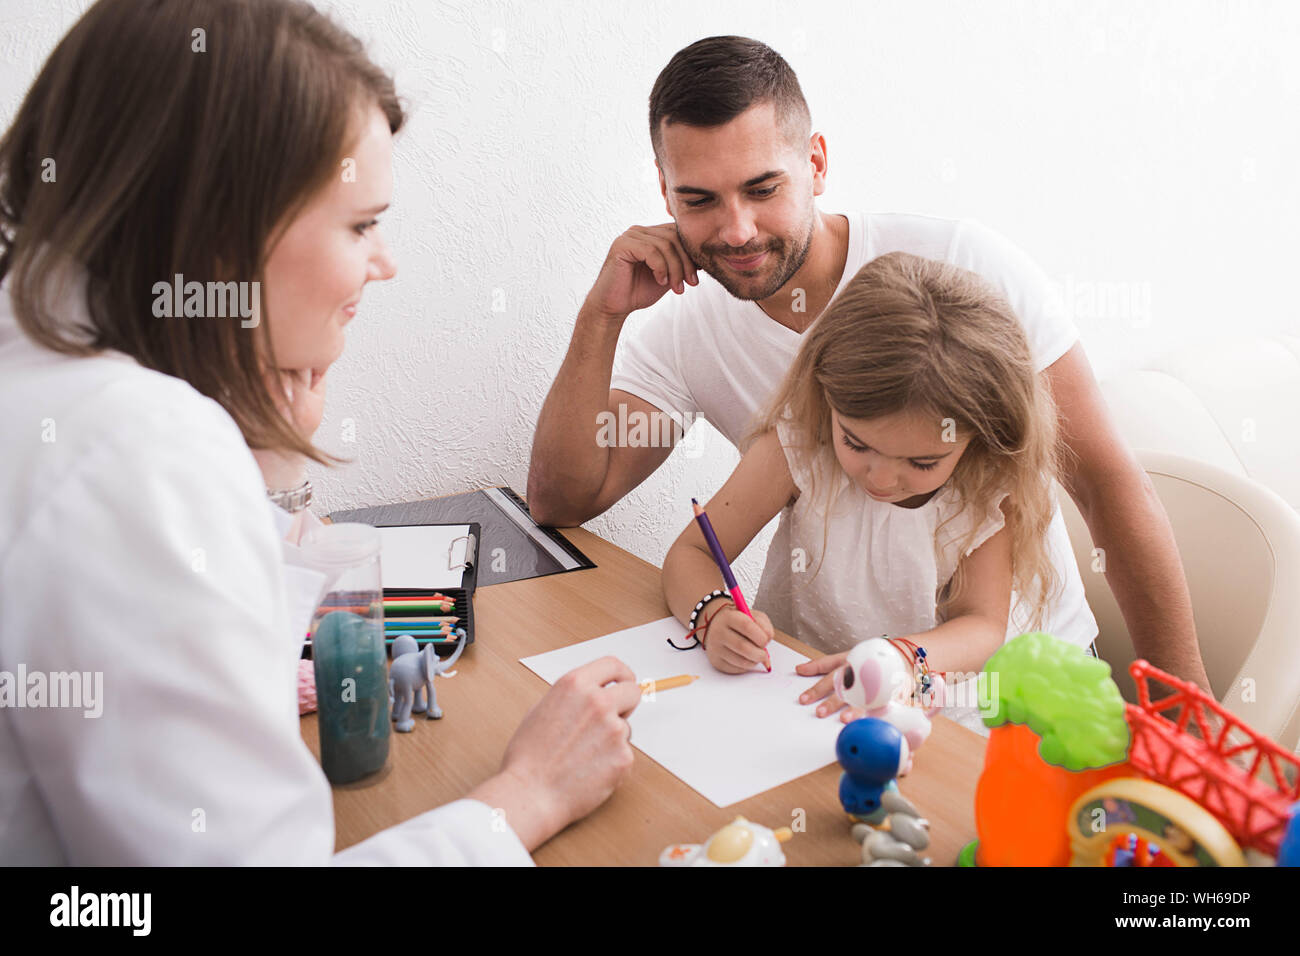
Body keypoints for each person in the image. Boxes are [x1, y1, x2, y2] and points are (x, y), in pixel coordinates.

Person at [0, 0, 638, 865]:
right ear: (227, 229)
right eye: (362, 224)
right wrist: (524, 797)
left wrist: (253, 450)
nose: (385, 262)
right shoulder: (137, 451)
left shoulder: (58, 376)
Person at [528, 35, 1211, 691]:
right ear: (664, 189)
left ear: (817, 163)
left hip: (1009, 687)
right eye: (699, 200)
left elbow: (1106, 484)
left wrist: (1190, 718)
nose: (736, 230)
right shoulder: (698, 336)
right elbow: (563, 501)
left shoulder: (964, 272)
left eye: (763, 188)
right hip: (818, 684)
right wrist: (602, 316)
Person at [661, 252, 1071, 731]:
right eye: (856, 443)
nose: (879, 479)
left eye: (922, 462)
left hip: (924, 714)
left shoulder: (985, 489)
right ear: (824, 394)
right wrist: (712, 614)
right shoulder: (799, 446)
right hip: (795, 696)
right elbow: (692, 552)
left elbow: (981, 629)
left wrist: (896, 659)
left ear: (980, 438)